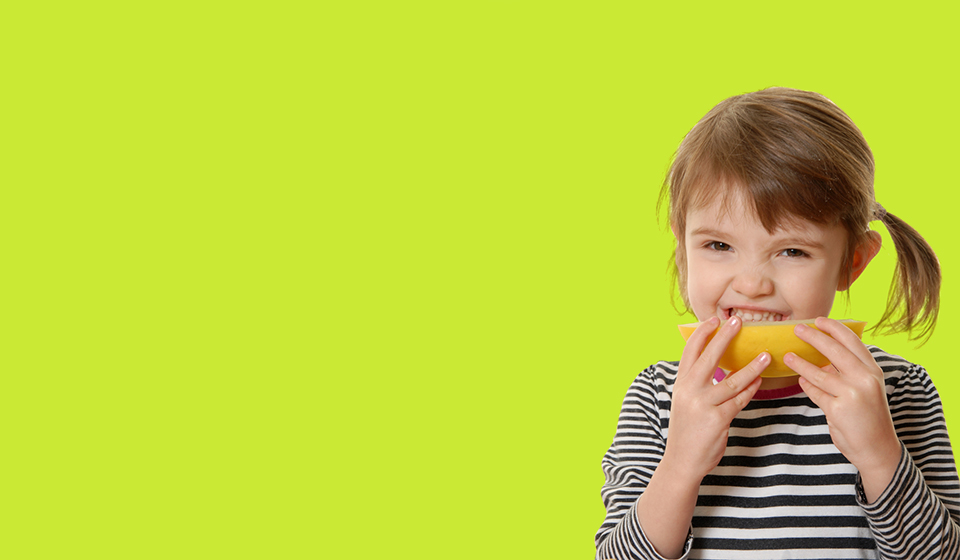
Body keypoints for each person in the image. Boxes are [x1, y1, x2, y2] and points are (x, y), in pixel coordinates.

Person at [595, 88, 960, 559]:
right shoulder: (659, 395)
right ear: (682, 245)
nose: (751, 284)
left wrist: (879, 454)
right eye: (718, 246)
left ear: (852, 261)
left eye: (792, 251)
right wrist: (681, 463)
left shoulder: (897, 389)